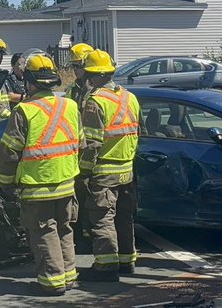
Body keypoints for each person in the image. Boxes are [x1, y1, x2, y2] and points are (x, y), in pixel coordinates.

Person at [0, 53, 82, 296]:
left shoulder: (24, 111)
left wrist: (5, 183)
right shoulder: (70, 105)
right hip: (66, 182)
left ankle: (52, 282)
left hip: (38, 185)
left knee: (44, 232)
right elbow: (81, 143)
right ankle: (68, 276)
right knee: (64, 229)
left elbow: (9, 153)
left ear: (30, 83)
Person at [77, 49, 141, 282]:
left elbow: (92, 144)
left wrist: (84, 172)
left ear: (94, 76)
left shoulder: (95, 102)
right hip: (127, 169)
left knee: (102, 218)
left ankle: (105, 266)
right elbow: (137, 132)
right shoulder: (129, 97)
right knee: (124, 218)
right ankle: (127, 261)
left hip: (104, 171)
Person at [67, 42, 96, 252]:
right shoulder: (73, 89)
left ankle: (89, 238)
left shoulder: (96, 89)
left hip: (94, 153)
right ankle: (82, 237)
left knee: (92, 201)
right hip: (77, 150)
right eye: (73, 66)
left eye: (77, 66)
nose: (74, 70)